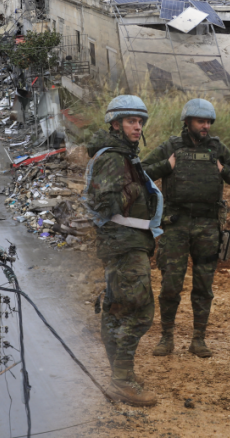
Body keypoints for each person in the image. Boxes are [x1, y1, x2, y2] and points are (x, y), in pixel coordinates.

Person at [141, 98, 230, 358]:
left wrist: (222, 169)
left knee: (203, 284)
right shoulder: (171, 146)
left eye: (209, 122)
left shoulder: (217, 147)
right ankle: (166, 338)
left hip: (208, 225)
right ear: (187, 122)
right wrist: (167, 166)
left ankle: (199, 339)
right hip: (176, 225)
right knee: (171, 284)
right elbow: (141, 173)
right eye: (201, 121)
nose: (205, 126)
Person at [84, 95, 163, 407]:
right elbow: (105, 202)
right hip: (124, 244)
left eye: (140, 121)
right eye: (131, 121)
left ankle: (121, 376)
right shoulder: (114, 158)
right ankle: (122, 379)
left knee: (117, 309)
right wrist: (135, 187)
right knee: (138, 311)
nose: (137, 126)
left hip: (125, 243)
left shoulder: (122, 155)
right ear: (115, 124)